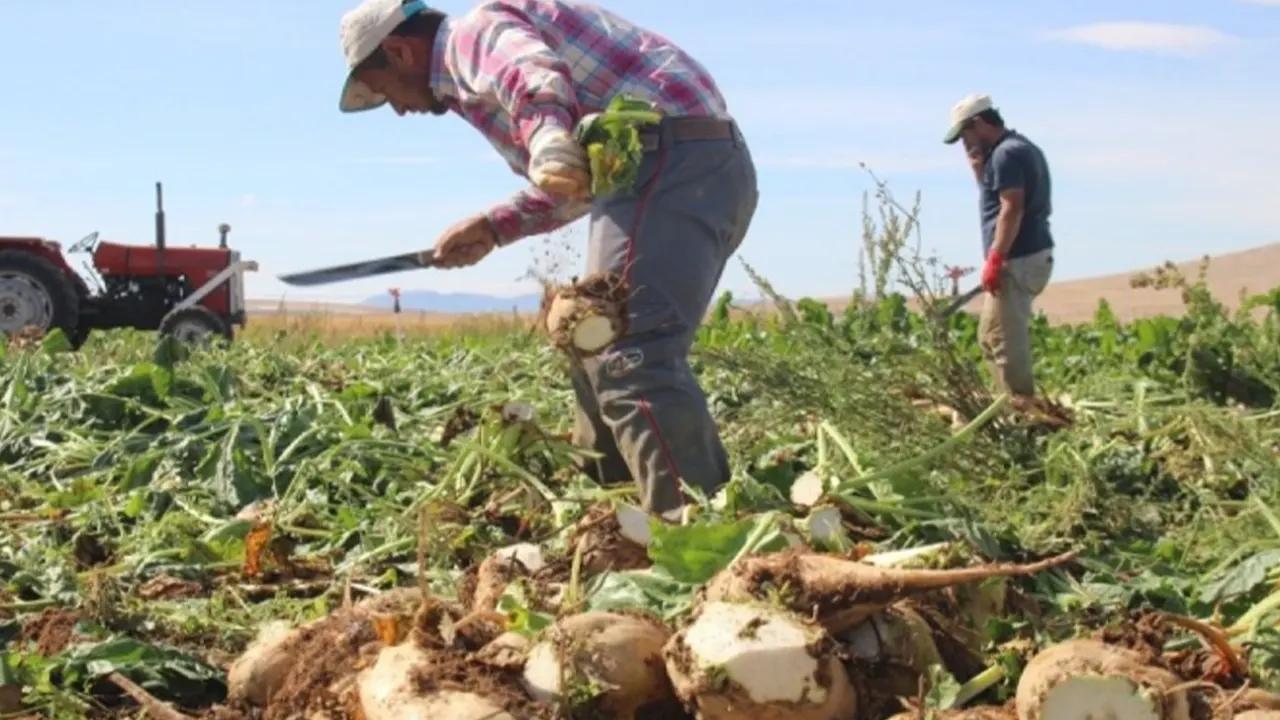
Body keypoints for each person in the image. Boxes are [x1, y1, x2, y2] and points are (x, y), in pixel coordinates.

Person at [336, 0, 759, 517]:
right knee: (587, 333)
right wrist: (493, 227)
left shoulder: (474, 34)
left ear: (400, 52)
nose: (398, 109)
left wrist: (548, 139)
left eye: (383, 91)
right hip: (674, 167)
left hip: (673, 158)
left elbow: (531, 73)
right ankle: (616, 517)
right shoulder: (474, 89)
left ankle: (701, 531)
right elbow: (571, 185)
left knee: (627, 351)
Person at [943, 94, 1054, 407]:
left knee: (1003, 340)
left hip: (1018, 258)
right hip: (1023, 255)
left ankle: (1024, 410)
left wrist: (996, 257)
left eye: (965, 134)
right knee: (990, 336)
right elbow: (995, 197)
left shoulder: (1007, 154)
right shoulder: (1014, 149)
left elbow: (1011, 207)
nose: (964, 143)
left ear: (978, 123)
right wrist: (978, 167)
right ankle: (1010, 404)